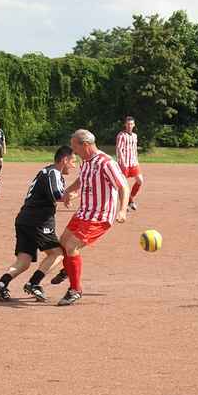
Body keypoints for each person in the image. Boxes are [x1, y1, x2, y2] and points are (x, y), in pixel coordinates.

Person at [0, 146, 77, 302]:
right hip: (38, 220)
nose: (74, 166)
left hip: (24, 219)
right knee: (57, 253)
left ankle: (2, 283)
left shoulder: (46, 171)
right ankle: (34, 283)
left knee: (24, 260)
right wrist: (74, 194)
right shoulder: (53, 172)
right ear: (64, 160)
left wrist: (65, 197)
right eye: (73, 161)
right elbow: (57, 195)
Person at [56, 129, 130, 306]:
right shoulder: (86, 162)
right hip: (84, 212)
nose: (73, 151)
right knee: (62, 243)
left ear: (86, 145)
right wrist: (68, 191)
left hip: (100, 216)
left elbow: (123, 187)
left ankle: (75, 290)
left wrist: (122, 210)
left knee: (71, 246)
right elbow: (82, 181)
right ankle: (69, 268)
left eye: (75, 147)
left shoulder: (106, 162)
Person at [115, 116, 143, 211]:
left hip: (133, 162)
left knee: (140, 181)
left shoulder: (135, 136)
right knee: (123, 185)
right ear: (125, 125)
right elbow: (119, 149)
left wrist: (137, 159)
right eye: (128, 124)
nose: (129, 126)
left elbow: (134, 149)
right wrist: (122, 162)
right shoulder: (121, 135)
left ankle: (130, 199)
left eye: (131, 124)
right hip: (124, 163)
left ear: (134, 125)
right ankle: (124, 204)